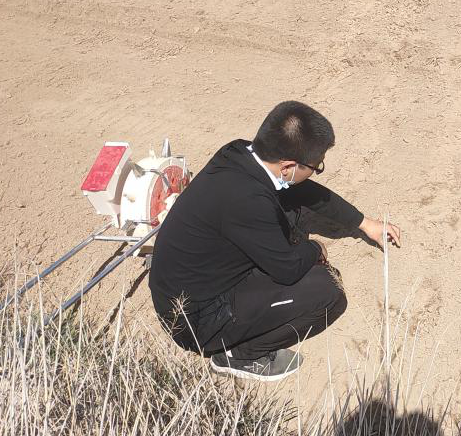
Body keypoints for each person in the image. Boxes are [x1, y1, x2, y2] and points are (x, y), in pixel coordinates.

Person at [149, 101, 401, 382]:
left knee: (290, 205)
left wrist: (365, 223)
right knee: (328, 292)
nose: (317, 169)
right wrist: (316, 248)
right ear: (288, 166)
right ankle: (239, 355)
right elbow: (288, 269)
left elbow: (305, 191)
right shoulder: (248, 200)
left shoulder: (240, 153)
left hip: (184, 282)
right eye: (317, 166)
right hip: (194, 319)